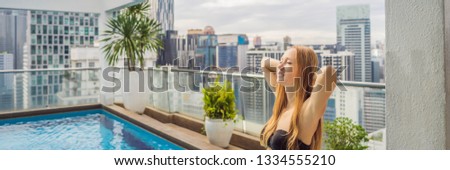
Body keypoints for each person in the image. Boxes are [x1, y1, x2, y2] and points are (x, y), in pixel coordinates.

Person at [260, 46, 337, 150]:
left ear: (302, 71)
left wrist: (307, 75)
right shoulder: (282, 100)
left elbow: (329, 73)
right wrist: (284, 65)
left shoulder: (307, 111)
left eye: (289, 63)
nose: (280, 66)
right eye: (281, 61)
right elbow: (264, 62)